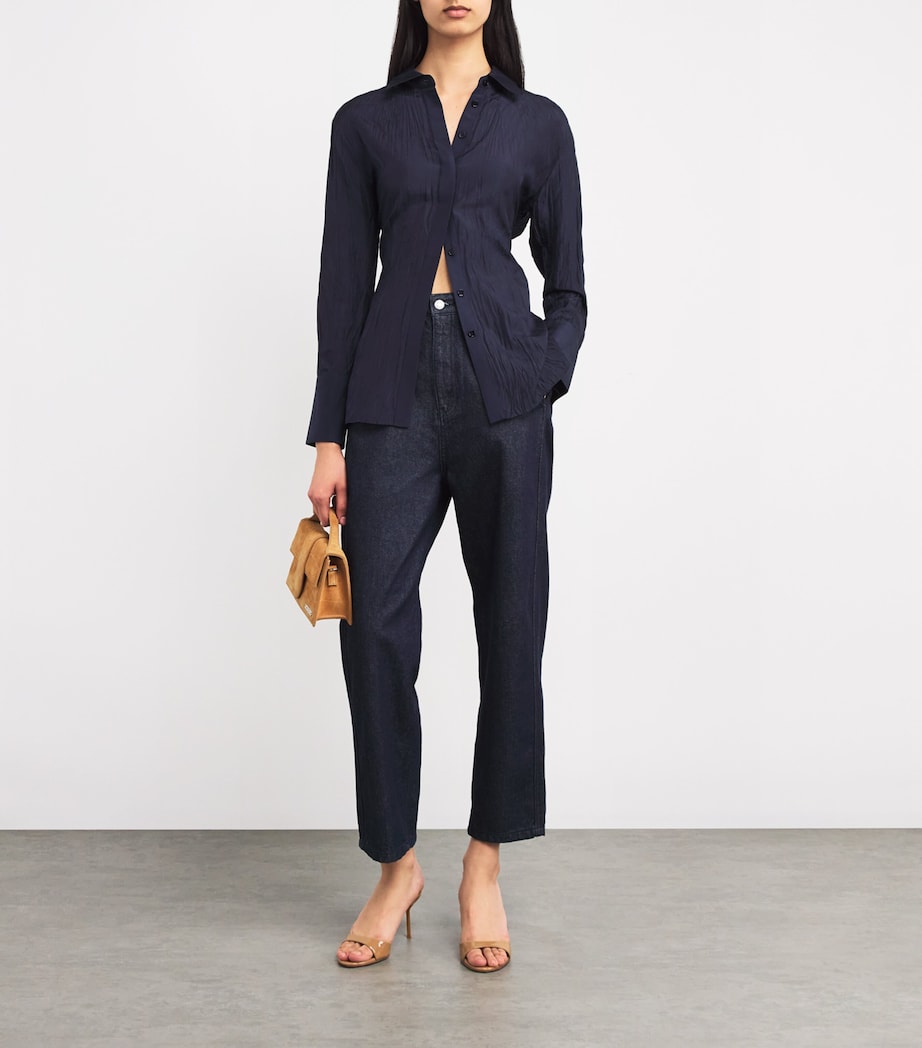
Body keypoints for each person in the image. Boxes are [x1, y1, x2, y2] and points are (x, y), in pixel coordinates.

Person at [305, 0, 586, 973]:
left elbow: (568, 281)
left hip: (502, 393)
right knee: (373, 630)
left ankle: (483, 866)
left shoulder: (537, 122)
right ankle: (396, 868)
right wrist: (328, 436)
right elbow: (343, 282)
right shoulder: (365, 122)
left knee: (511, 626)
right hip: (389, 393)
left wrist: (542, 371)